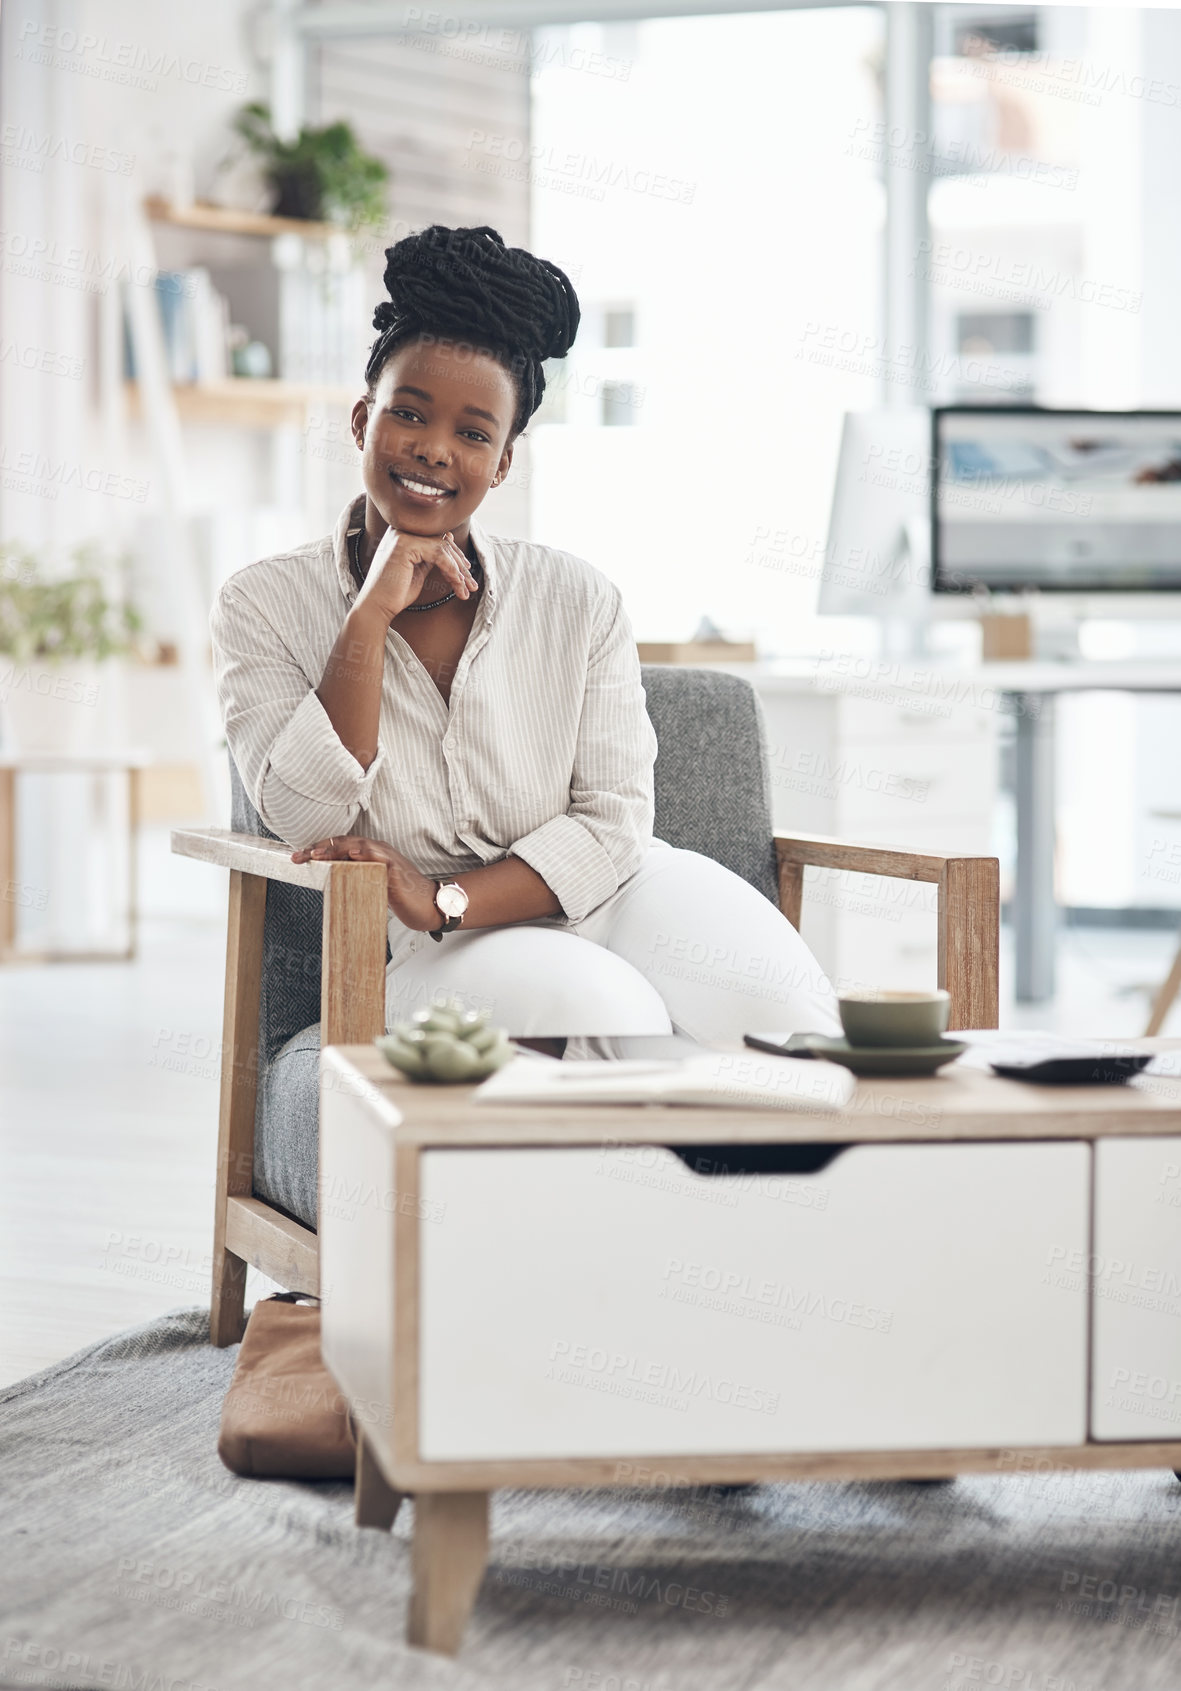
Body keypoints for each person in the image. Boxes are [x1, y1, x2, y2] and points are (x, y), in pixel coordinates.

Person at [211, 223, 839, 1058]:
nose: (434, 449)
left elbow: (615, 821)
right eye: (408, 414)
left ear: (504, 461)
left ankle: (778, 1181)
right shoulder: (262, 602)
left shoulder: (577, 597)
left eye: (473, 433)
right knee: (606, 1010)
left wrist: (449, 897)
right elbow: (300, 814)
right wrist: (367, 618)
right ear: (362, 420)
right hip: (434, 949)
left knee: (795, 1026)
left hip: (615, 888)